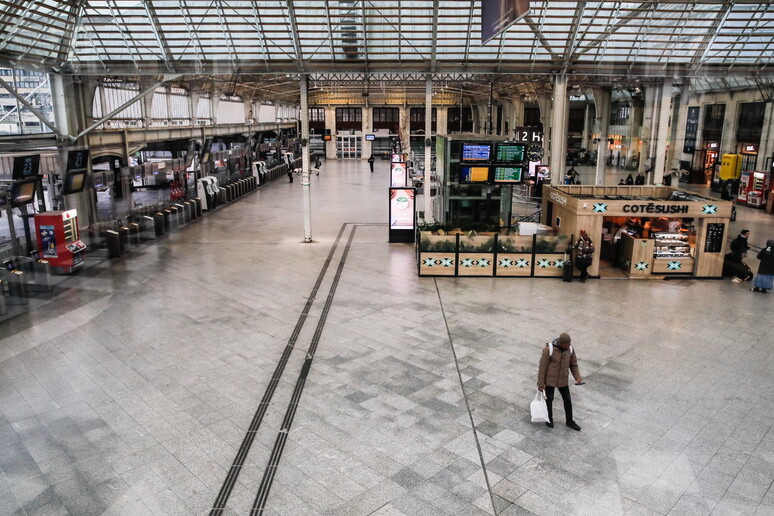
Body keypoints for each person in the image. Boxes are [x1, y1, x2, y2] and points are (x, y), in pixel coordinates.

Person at [537, 333, 583, 431]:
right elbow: (542, 368)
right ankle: (549, 419)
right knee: (549, 400)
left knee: (567, 400)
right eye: (566, 344)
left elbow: (573, 365)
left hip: (563, 380)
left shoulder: (570, 350)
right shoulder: (548, 350)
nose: (568, 346)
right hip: (550, 380)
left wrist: (577, 377)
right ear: (560, 343)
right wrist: (540, 384)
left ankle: (570, 421)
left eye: (569, 344)